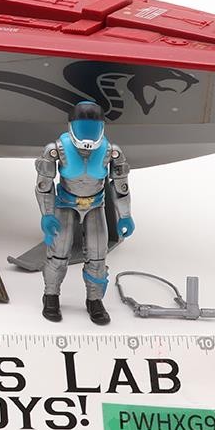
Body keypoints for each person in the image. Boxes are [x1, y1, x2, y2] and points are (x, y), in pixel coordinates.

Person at [35, 100, 133, 325]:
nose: (88, 135)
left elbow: (121, 186)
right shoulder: (56, 149)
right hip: (65, 204)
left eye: (92, 128)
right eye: (84, 128)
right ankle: (51, 296)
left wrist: (125, 215)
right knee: (58, 254)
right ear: (72, 126)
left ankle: (94, 300)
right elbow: (44, 185)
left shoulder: (111, 152)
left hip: (95, 206)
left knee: (98, 257)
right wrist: (47, 214)